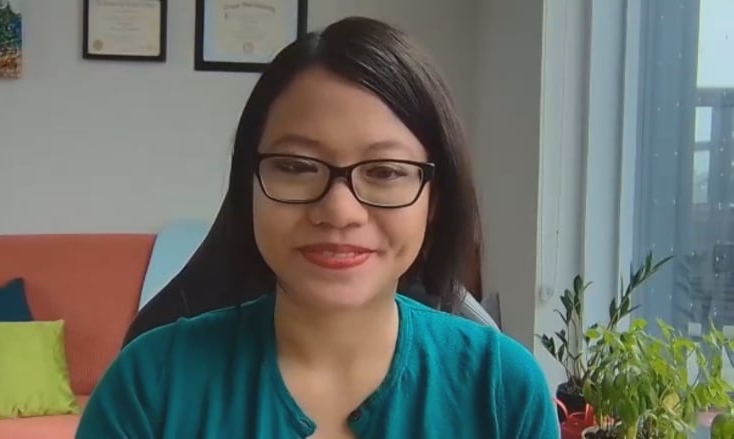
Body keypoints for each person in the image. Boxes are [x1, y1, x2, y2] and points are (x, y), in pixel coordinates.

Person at [76, 16, 560, 439]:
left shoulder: (502, 391)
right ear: (249, 185)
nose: (339, 210)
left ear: (433, 201)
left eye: (386, 171)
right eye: (296, 166)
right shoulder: (149, 386)